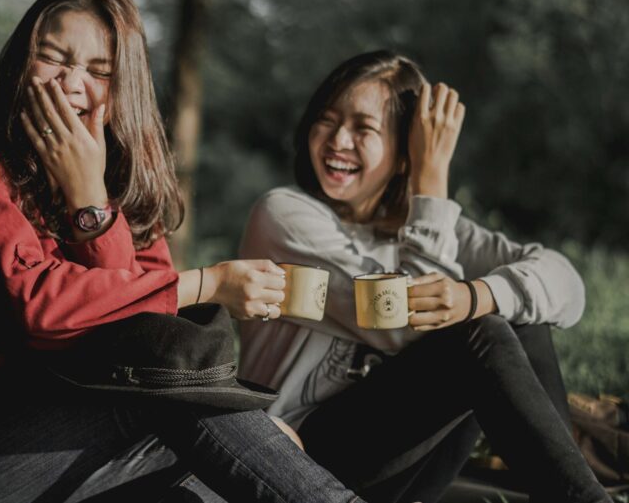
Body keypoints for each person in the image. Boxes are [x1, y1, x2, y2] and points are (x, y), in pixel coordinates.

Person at [0, 0, 366, 503]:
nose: (69, 83)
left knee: (219, 475)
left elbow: (144, 328)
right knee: (172, 397)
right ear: (20, 62)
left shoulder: (118, 183)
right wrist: (208, 283)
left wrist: (90, 199)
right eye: (53, 57)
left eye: (99, 70)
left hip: (64, 443)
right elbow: (41, 306)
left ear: (123, 86)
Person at [238, 51, 611, 503]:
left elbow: (566, 286)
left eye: (363, 128)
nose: (337, 139)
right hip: (296, 455)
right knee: (480, 331)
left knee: (514, 312)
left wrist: (478, 293)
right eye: (327, 119)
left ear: (402, 150)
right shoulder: (284, 215)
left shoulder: (430, 229)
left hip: (403, 470)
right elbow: (403, 321)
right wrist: (430, 177)